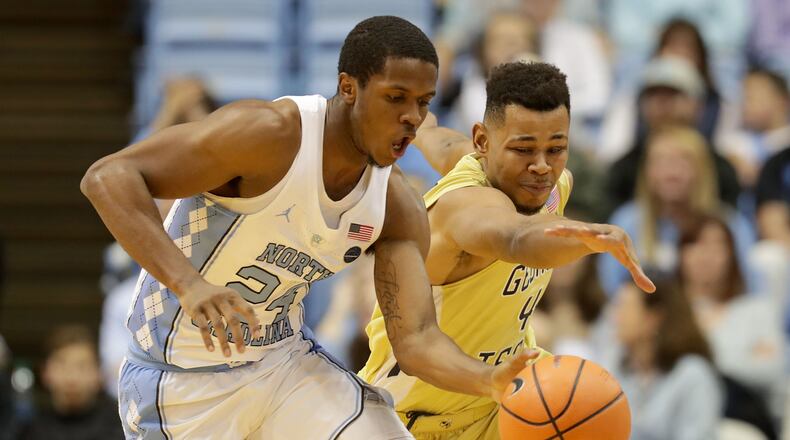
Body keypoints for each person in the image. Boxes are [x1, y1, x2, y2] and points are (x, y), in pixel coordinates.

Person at [81, 16, 537, 440]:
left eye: (423, 103)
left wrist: (486, 380)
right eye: (396, 98)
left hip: (283, 367)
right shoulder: (269, 135)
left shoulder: (396, 205)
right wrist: (189, 284)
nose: (412, 118)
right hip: (180, 383)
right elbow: (107, 179)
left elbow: (415, 339)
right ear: (349, 87)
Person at [360, 61, 654, 439]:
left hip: (497, 402)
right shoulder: (464, 209)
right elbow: (516, 238)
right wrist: (583, 238)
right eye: (524, 149)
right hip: (413, 416)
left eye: (556, 148)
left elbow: (445, 143)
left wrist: (421, 125)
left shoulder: (549, 181)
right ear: (484, 141)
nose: (542, 166)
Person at [679, 214, 782, 437]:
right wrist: (742, 356)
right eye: (696, 243)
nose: (706, 255)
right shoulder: (665, 312)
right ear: (681, 253)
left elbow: (773, 370)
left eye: (717, 245)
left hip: (737, 418)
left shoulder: (757, 310)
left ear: (732, 255)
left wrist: (700, 361)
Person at [609, 279, 722, 440]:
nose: (615, 317)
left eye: (623, 307)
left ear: (652, 318)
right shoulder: (620, 370)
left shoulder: (693, 375)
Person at [17, 325, 124, 440]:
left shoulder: (123, 427)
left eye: (82, 367)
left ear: (99, 374)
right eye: (62, 366)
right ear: (45, 373)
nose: (72, 378)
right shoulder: (31, 430)